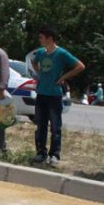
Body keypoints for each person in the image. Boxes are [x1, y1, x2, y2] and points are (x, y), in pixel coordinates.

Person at [31, 27, 85, 167]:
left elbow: (80, 66)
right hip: (41, 93)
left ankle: (54, 155)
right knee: (40, 126)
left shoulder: (61, 53)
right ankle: (40, 153)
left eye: (41, 37)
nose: (39, 39)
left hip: (54, 95)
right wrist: (39, 74)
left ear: (50, 38)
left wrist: (63, 78)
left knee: (56, 127)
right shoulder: (41, 53)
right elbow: (33, 62)